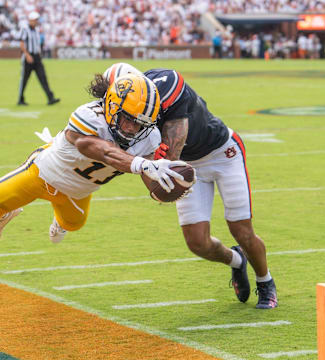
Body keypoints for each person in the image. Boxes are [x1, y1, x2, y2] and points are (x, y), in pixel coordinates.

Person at [103, 63, 277, 309]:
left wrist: (158, 171)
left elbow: (171, 156)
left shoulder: (167, 85)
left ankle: (265, 281)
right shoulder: (117, 113)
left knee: (241, 229)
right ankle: (237, 261)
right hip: (188, 164)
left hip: (222, 154)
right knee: (197, 242)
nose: (126, 122)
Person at [0, 73, 187, 242]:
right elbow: (100, 150)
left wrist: (171, 185)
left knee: (74, 224)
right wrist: (142, 164)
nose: (131, 128)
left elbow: (151, 180)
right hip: (42, 175)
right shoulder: (90, 116)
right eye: (128, 118)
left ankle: (59, 221)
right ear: (112, 105)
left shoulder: (149, 136)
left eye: (140, 124)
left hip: (77, 192)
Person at [17, 11, 60, 106]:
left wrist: (39, 55)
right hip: (28, 57)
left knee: (43, 77)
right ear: (31, 20)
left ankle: (50, 98)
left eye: (37, 20)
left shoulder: (36, 30)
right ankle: (20, 99)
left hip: (37, 57)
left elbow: (37, 45)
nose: (37, 21)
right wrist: (27, 55)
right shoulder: (25, 29)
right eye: (35, 20)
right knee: (24, 79)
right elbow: (21, 43)